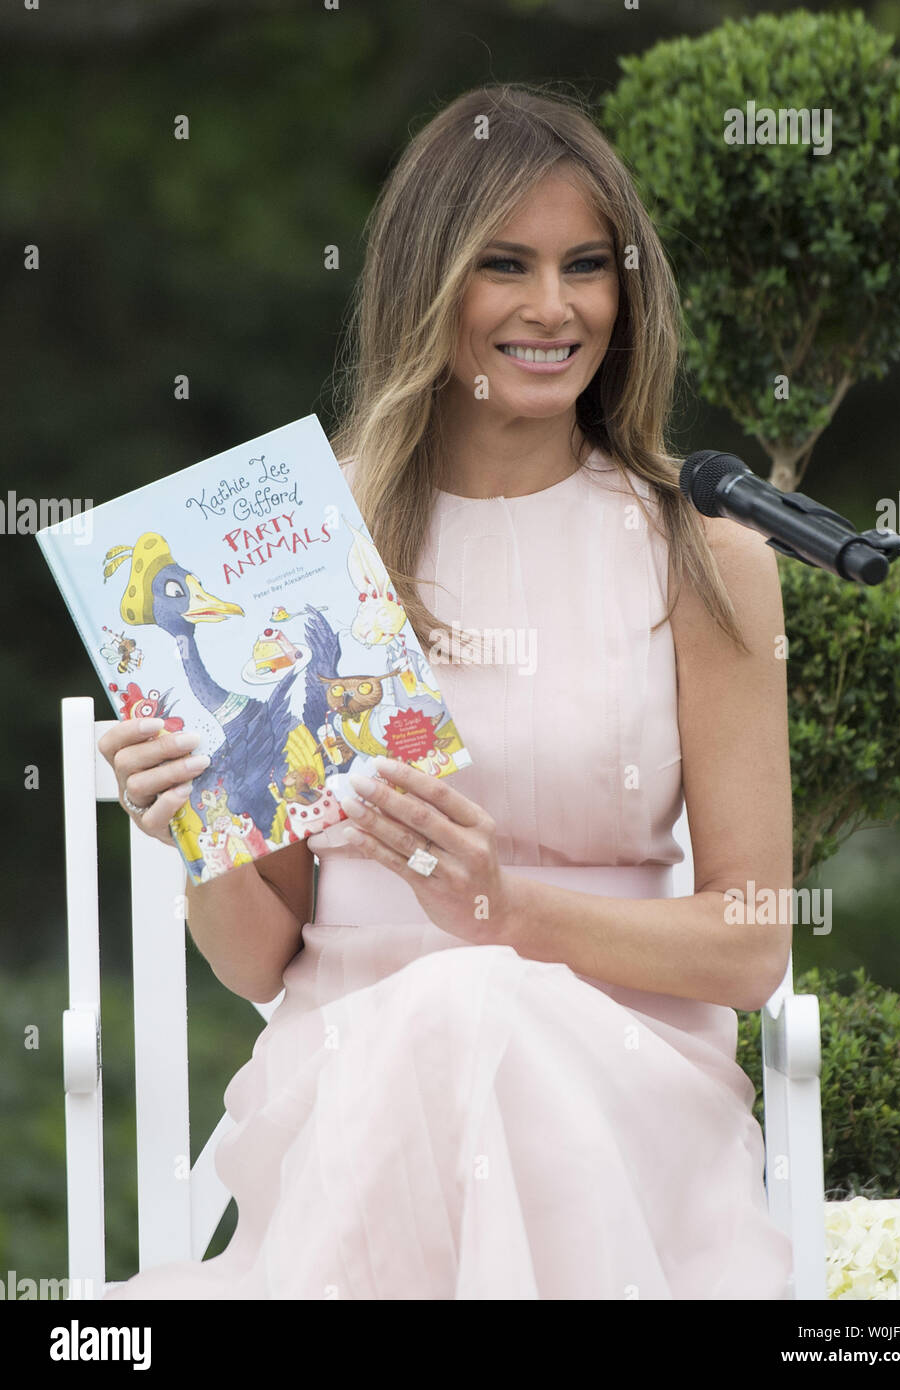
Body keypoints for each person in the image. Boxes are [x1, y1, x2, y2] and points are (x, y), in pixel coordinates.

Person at [99, 83, 795, 1300]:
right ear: (429, 285)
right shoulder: (306, 546)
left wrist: (509, 914)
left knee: (474, 1002)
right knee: (448, 1018)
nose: (553, 307)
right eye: (504, 265)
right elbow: (263, 962)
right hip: (345, 1092)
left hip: (623, 1101)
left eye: (588, 265)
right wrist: (196, 833)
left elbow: (751, 947)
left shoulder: (703, 550)